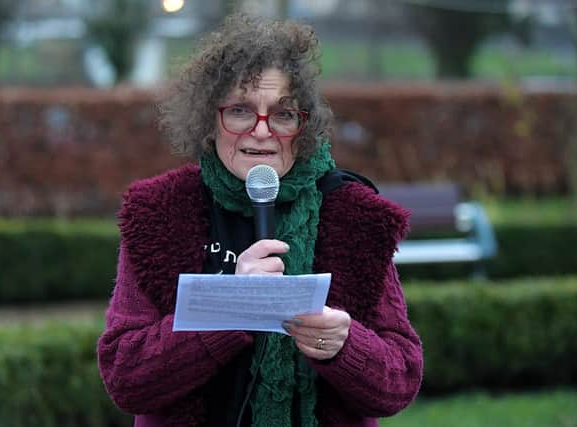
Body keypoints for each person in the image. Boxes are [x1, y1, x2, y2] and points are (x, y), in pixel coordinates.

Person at [97, 13, 423, 427]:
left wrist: (345, 345)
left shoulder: (354, 215)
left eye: (283, 114)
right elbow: (125, 377)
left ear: (304, 126)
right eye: (239, 111)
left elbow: (400, 380)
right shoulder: (158, 212)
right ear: (207, 120)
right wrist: (233, 305)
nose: (262, 131)